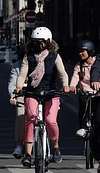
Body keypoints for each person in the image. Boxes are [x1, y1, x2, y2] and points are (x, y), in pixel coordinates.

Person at [14, 27, 70, 167]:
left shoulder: (55, 56)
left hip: (51, 93)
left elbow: (63, 73)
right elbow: (22, 74)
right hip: (32, 92)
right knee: (31, 120)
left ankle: (55, 147)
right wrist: (19, 87)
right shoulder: (29, 56)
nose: (37, 45)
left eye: (40, 42)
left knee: (50, 120)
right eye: (34, 42)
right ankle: (27, 154)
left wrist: (66, 85)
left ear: (48, 42)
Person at [69, 40, 100, 138]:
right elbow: (75, 77)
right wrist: (72, 86)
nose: (80, 53)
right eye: (79, 51)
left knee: (97, 117)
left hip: (97, 94)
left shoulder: (97, 64)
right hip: (85, 94)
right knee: (83, 110)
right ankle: (82, 128)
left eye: (83, 51)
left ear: (90, 52)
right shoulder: (79, 66)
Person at [8, 45, 26, 159]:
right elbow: (12, 83)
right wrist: (13, 96)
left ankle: (47, 145)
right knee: (20, 117)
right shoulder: (17, 66)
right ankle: (19, 145)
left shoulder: (42, 64)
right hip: (22, 95)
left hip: (38, 95)